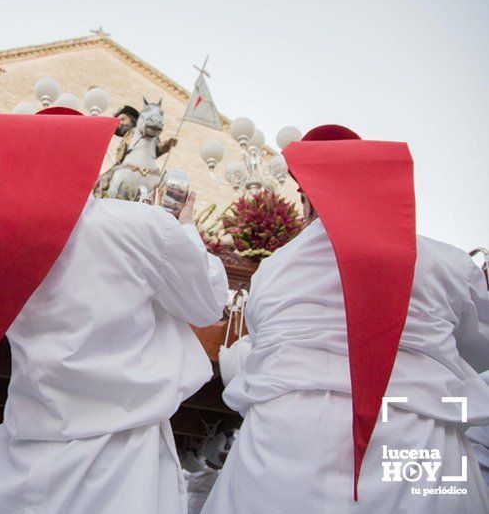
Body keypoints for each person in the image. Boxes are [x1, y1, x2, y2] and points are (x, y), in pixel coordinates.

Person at [0, 108, 228, 513]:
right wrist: (187, 229)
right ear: (90, 164)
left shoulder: (3, 232)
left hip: (29, 443)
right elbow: (207, 304)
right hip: (119, 455)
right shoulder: (144, 226)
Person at [203, 125, 489, 513]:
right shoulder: (449, 265)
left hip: (283, 452)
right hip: (417, 449)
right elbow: (480, 351)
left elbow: (262, 341)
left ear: (308, 199)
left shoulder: (274, 271)